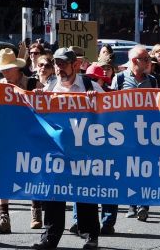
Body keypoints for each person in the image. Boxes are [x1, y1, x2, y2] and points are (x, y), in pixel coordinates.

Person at [33, 47, 103, 250]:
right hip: (58, 152)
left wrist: (96, 103)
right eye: (56, 63)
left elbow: (110, 113)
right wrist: (38, 99)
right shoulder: (51, 86)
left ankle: (90, 235)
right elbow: (39, 116)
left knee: (85, 194)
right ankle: (50, 236)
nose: (59, 68)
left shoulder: (90, 86)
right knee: (54, 194)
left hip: (84, 151)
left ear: (76, 65)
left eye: (63, 64)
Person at [0, 48, 43, 234]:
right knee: (2, 175)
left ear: (16, 68)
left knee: (33, 172)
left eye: (7, 69)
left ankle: (36, 208)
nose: (4, 73)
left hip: (31, 137)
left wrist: (39, 96)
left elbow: (48, 107)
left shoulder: (32, 83)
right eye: (2, 70)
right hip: (7, 138)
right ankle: (4, 217)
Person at [111, 45, 158, 224]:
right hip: (125, 133)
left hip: (146, 133)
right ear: (134, 61)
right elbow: (111, 104)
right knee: (129, 168)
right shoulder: (120, 79)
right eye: (145, 59)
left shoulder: (152, 80)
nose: (148, 62)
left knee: (145, 168)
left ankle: (143, 205)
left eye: (148, 59)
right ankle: (132, 204)